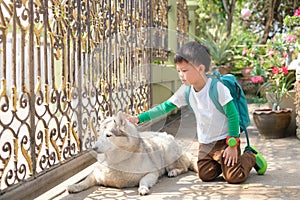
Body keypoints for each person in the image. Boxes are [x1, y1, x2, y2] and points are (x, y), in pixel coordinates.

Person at [126, 41, 267, 183]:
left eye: (185, 70)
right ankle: (224, 164)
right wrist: (138, 119)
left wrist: (232, 144)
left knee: (234, 177)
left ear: (200, 68)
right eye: (179, 71)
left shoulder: (218, 88)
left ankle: (250, 156)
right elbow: (164, 107)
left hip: (225, 140)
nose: (181, 75)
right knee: (205, 175)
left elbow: (233, 115)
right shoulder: (186, 90)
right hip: (205, 143)